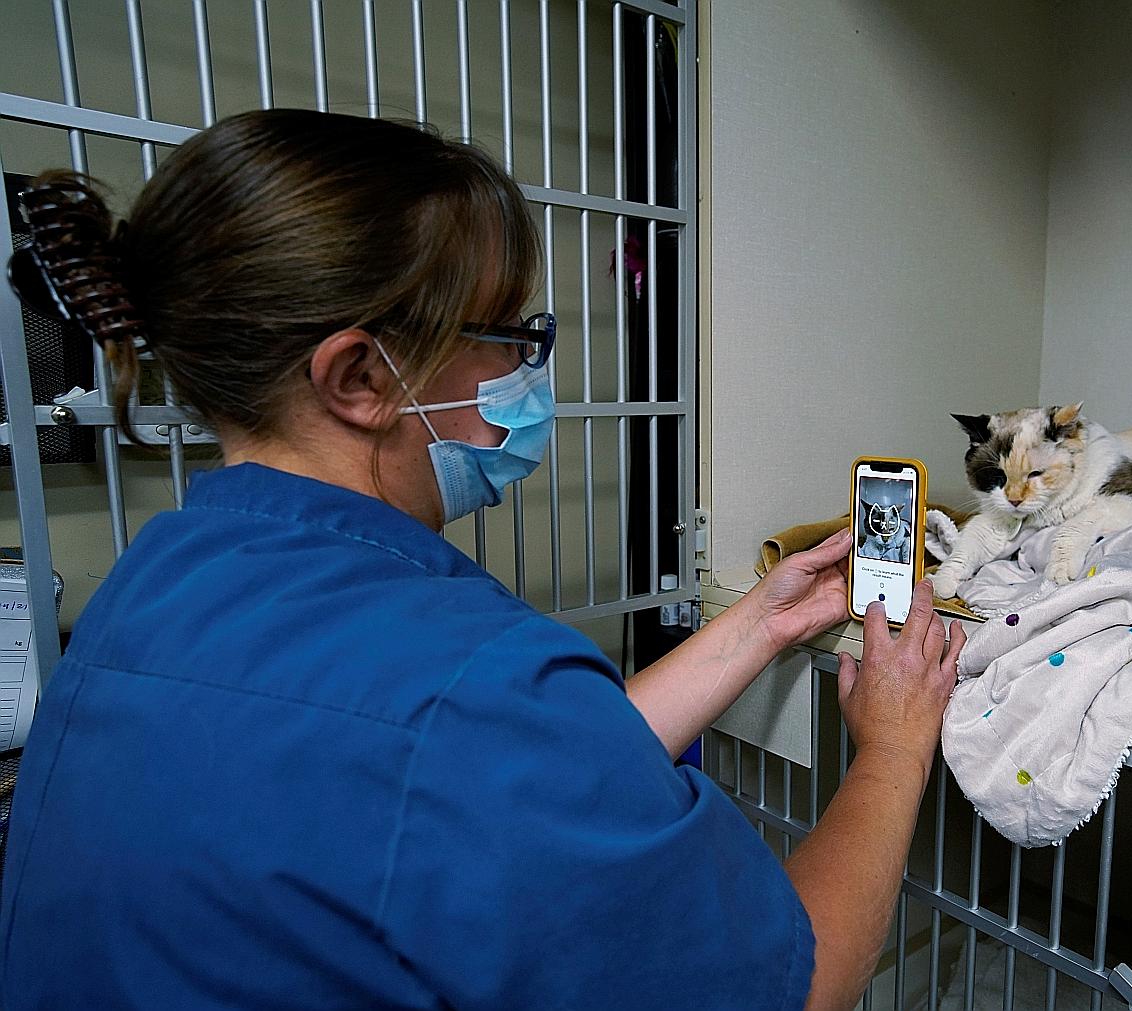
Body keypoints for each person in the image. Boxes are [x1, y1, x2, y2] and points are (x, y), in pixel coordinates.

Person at [0, 109, 965, 1010]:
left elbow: (497, 775)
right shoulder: (469, 681)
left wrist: (759, 623)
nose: (527, 372)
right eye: (508, 334)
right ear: (362, 375)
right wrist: (893, 744)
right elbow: (795, 984)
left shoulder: (154, 581)